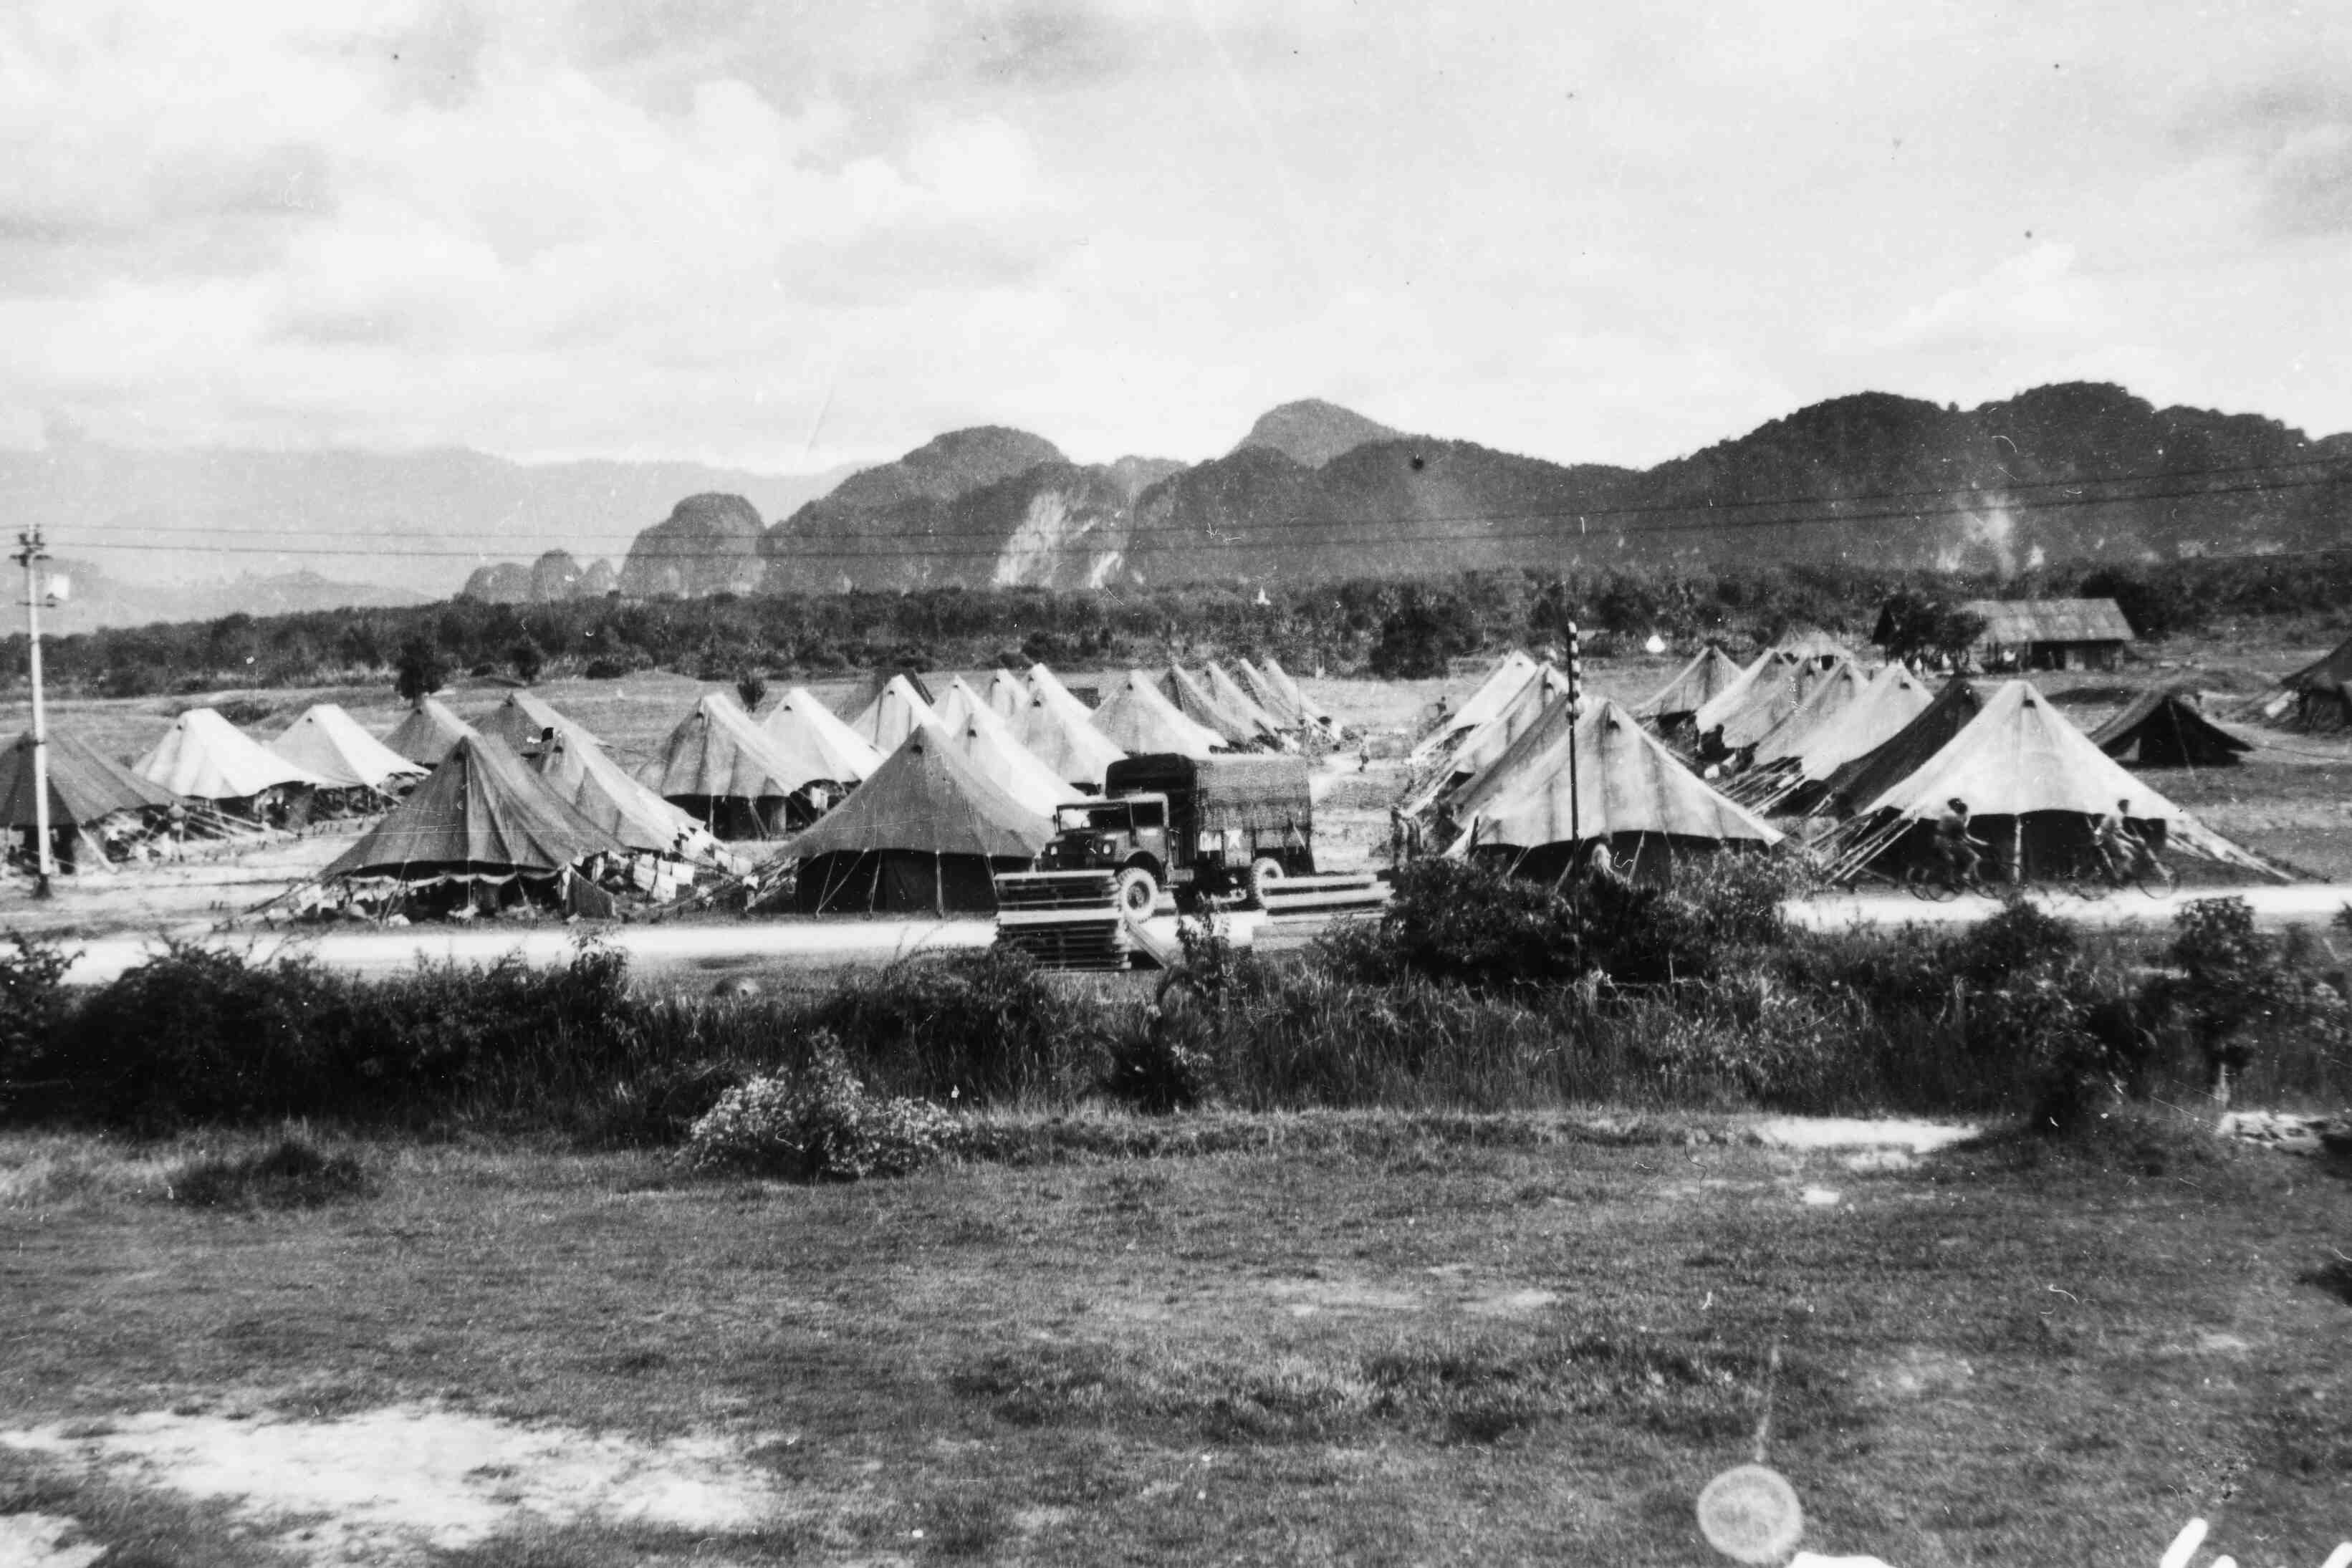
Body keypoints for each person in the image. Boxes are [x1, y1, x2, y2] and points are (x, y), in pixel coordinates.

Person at [1933, 797, 1984, 889]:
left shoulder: (1951, 815)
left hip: (1946, 839)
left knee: (1954, 859)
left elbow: (1958, 833)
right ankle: (1962, 877)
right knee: (1970, 857)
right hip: (1946, 841)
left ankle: (1967, 878)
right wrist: (1980, 843)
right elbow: (1962, 833)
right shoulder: (1953, 817)